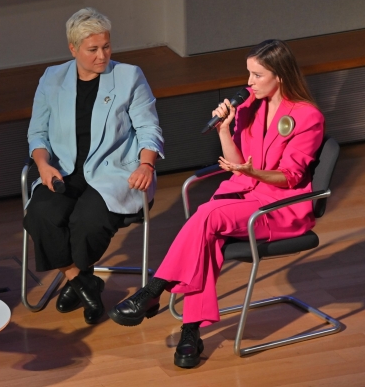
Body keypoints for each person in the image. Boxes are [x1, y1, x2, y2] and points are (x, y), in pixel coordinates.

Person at [108, 39, 325, 368]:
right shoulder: (250, 104)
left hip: (276, 206)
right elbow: (237, 161)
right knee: (208, 236)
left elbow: (291, 177)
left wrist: (256, 172)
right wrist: (225, 129)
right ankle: (190, 331)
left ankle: (154, 288)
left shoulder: (307, 116)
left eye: (257, 75)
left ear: (279, 76)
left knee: (206, 215)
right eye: (248, 74)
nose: (248, 82)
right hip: (242, 194)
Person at [23, 7, 164, 325]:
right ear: (73, 49)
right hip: (64, 170)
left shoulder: (129, 77)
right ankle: (82, 281)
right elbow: (37, 133)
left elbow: (149, 128)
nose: (102, 55)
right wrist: (43, 165)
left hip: (113, 172)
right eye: (93, 49)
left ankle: (78, 282)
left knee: (86, 222)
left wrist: (146, 165)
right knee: (40, 214)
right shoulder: (52, 78)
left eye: (106, 47)